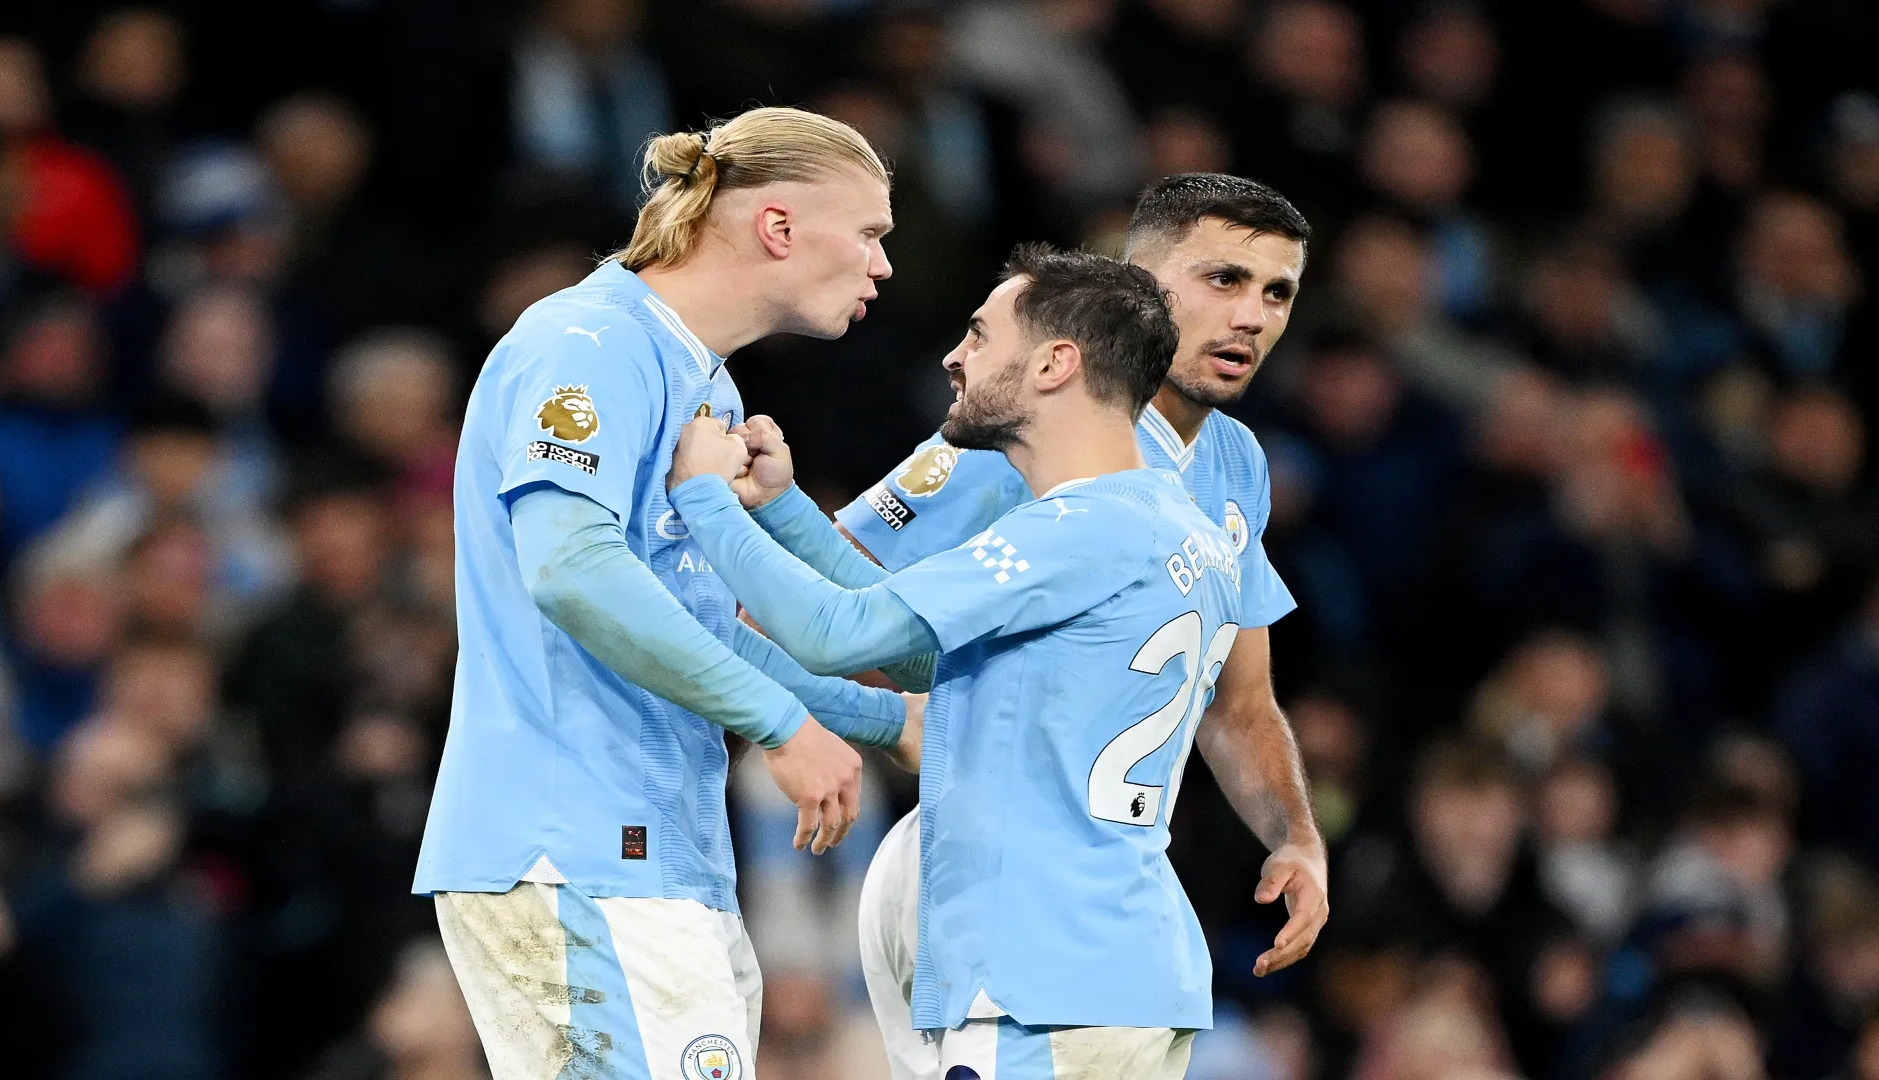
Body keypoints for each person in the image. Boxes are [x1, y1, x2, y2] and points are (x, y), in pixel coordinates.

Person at [665, 244, 1278, 1080]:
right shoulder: (1170, 522)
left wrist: (702, 495)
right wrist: (783, 513)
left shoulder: (1076, 531)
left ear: (1056, 364)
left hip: (1041, 975)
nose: (956, 355)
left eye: (982, 336)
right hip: (1117, 968)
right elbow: (919, 652)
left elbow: (838, 634)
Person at [412, 106, 919, 1080]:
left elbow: (692, 623)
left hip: (661, 850)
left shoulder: (707, 390)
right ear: (777, 227)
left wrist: (872, 716)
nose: (882, 266)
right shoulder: (589, 342)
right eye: (870, 234)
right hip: (568, 846)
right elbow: (570, 568)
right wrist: (778, 722)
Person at [832, 174, 1328, 1079]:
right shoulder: (1015, 434)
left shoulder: (1235, 463)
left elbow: (1236, 701)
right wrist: (867, 723)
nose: (1253, 316)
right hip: (980, 875)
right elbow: (825, 600)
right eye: (1224, 280)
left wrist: (1295, 835)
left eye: (1277, 293)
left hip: (1103, 905)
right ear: (1138, 285)